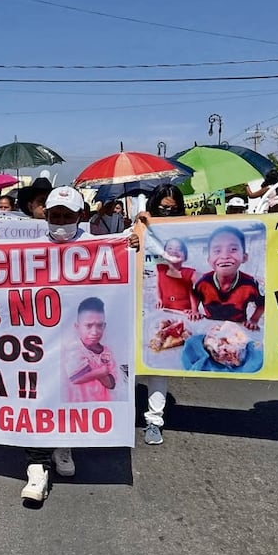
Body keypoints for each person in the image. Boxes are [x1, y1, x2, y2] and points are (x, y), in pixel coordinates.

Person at [21, 185, 91, 503]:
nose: (61, 222)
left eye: (67, 216)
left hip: (78, 340)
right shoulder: (27, 249)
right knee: (38, 396)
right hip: (38, 339)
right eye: (55, 216)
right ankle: (37, 467)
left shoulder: (99, 247)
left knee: (68, 395)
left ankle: (64, 444)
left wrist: (133, 243)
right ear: (45, 216)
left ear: (80, 216)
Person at [127, 183, 186, 445]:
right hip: (134, 306)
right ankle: (121, 415)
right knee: (124, 364)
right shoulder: (138, 229)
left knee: (157, 369)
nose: (167, 213)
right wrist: (133, 240)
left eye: (173, 210)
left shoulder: (189, 232)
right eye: (162, 208)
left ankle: (154, 420)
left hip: (166, 312)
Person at [193, 226, 264, 330]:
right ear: (209, 259)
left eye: (233, 249)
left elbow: (262, 303)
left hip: (238, 329)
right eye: (217, 251)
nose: (225, 256)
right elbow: (194, 294)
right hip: (210, 327)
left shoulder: (250, 284)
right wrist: (194, 310)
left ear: (244, 257)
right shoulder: (203, 282)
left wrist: (253, 320)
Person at [64, 296, 117, 402]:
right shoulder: (73, 349)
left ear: (104, 326)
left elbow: (111, 384)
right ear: (77, 327)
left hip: (102, 409)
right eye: (88, 326)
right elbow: (75, 378)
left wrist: (94, 370)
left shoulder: (107, 352)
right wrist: (101, 372)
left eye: (99, 325)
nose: (94, 332)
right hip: (76, 409)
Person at [155, 237, 200, 319]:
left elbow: (197, 292)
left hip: (184, 313)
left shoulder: (189, 273)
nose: (174, 251)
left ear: (185, 256)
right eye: (170, 248)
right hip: (165, 310)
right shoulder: (161, 269)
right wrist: (159, 299)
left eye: (179, 249)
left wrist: (194, 309)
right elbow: (159, 283)